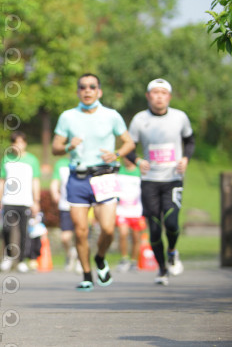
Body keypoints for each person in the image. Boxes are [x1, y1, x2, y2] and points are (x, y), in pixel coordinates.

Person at [52, 73, 135, 291]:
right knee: (81, 231)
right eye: (82, 87)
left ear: (99, 91)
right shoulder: (67, 117)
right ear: (78, 91)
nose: (87, 90)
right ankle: (87, 275)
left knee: (108, 229)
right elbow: (55, 147)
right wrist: (69, 146)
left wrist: (116, 154)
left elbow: (129, 142)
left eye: (92, 86)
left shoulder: (112, 115)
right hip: (78, 178)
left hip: (105, 176)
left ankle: (100, 258)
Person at [127, 78, 194, 286]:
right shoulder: (139, 119)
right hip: (149, 181)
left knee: (172, 222)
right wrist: (137, 160)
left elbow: (190, 140)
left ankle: (172, 250)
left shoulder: (180, 117)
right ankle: (162, 269)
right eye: (155, 93)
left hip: (173, 179)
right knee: (154, 228)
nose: (159, 96)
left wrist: (185, 159)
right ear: (148, 96)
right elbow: (128, 147)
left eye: (163, 93)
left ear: (169, 97)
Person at [0, 131, 41, 273]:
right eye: (15, 142)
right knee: (6, 228)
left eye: (21, 142)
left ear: (25, 143)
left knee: (24, 231)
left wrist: (36, 201)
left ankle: (21, 260)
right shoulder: (6, 159)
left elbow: (35, 181)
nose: (18, 145)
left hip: (26, 201)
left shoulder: (32, 160)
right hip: (9, 200)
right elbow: (1, 181)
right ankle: (8, 256)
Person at [115, 156, 146, 273]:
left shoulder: (140, 171)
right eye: (125, 158)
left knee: (136, 237)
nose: (126, 160)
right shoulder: (119, 170)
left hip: (137, 211)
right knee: (123, 233)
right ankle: (124, 259)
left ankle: (133, 260)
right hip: (122, 210)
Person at [50, 157, 80, 272]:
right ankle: (70, 254)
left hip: (82, 206)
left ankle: (80, 260)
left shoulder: (86, 160)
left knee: (80, 235)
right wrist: (54, 193)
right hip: (65, 205)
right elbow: (55, 181)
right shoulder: (61, 163)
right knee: (65, 237)